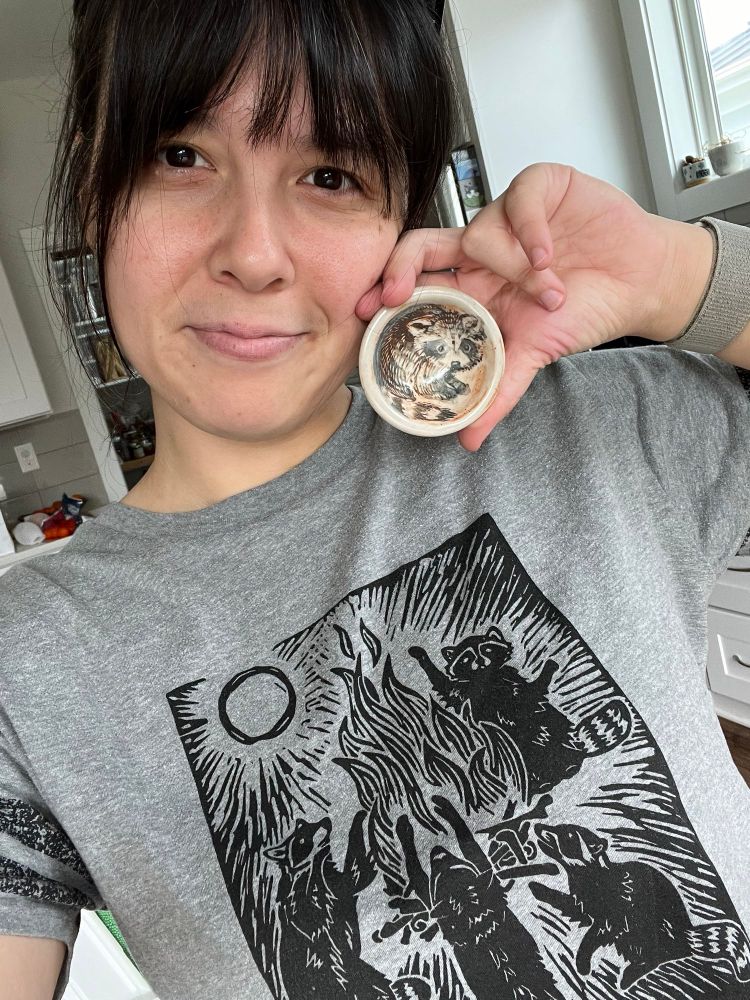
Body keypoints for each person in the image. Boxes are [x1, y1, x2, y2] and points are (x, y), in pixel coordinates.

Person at [1, 1, 749, 999]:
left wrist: (680, 274)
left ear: (402, 224)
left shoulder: (596, 432)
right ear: (96, 189)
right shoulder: (29, 666)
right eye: (181, 156)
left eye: (330, 175)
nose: (254, 253)